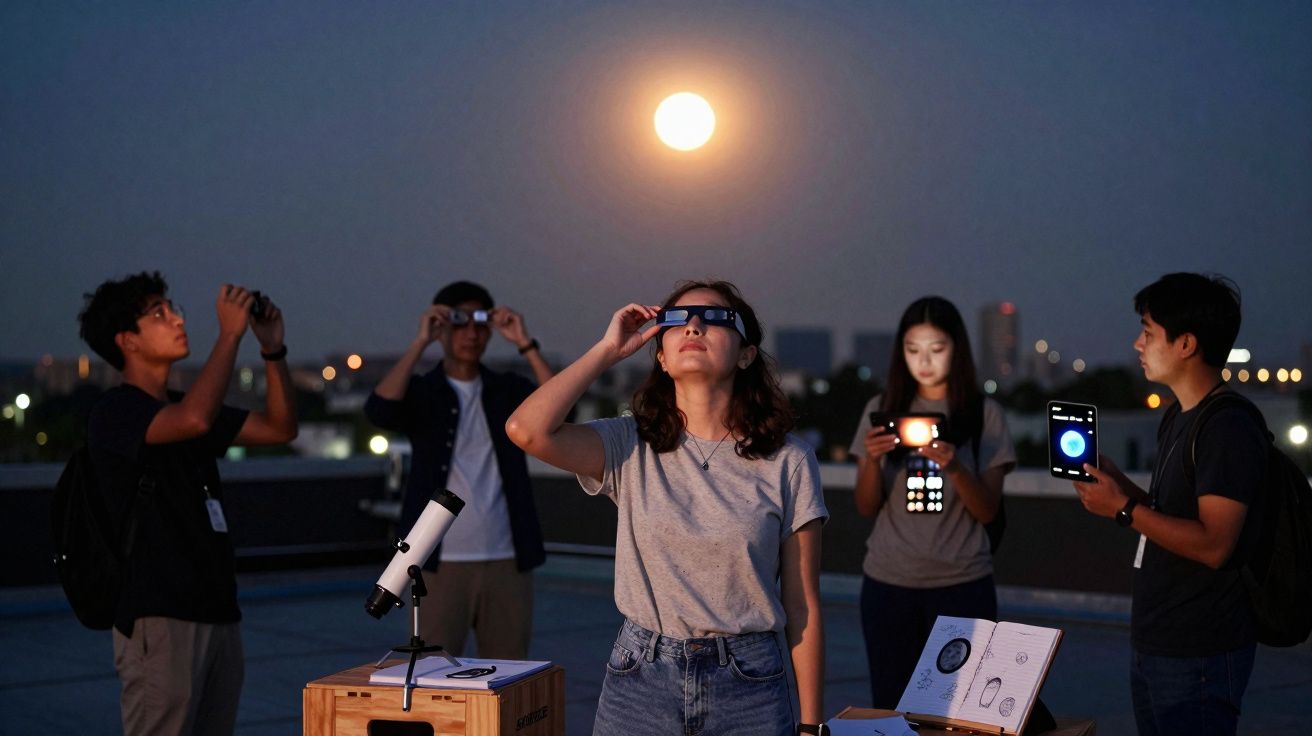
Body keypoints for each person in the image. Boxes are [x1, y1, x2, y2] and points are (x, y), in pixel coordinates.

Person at [506, 280, 829, 736]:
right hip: (641, 676)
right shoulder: (628, 444)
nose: (694, 325)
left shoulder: (788, 459)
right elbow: (526, 430)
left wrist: (812, 726)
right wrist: (607, 350)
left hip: (750, 682)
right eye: (677, 320)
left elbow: (803, 604)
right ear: (661, 353)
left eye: (715, 318)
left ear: (745, 354)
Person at [78, 272, 298, 735]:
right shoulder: (116, 413)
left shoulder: (188, 405)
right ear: (127, 341)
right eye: (158, 313)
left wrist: (272, 348)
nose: (177, 318)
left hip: (216, 608)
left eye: (172, 308)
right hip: (159, 614)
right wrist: (230, 333)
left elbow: (280, 428)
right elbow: (194, 419)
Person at [1073, 273, 1261, 736]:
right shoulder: (1178, 414)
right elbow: (1174, 515)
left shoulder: (1227, 427)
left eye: (1148, 332)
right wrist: (1121, 488)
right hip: (1157, 642)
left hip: (1200, 652)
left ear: (1186, 344)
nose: (1137, 344)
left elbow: (1215, 543)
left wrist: (1122, 509)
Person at [364, 281, 552, 660]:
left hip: (507, 558)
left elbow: (561, 413)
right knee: (434, 676)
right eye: (459, 323)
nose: (471, 333)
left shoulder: (506, 388)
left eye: (480, 325)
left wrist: (524, 342)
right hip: (435, 563)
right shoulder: (422, 391)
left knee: (508, 676)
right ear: (442, 327)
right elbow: (378, 411)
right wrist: (420, 343)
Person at [848, 296, 1016, 709]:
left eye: (936, 349)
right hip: (889, 583)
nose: (924, 361)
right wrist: (871, 458)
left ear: (956, 350)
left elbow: (988, 511)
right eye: (912, 349)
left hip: (963, 582)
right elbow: (866, 507)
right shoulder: (882, 409)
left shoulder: (982, 414)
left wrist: (956, 466)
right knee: (891, 707)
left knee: (961, 710)